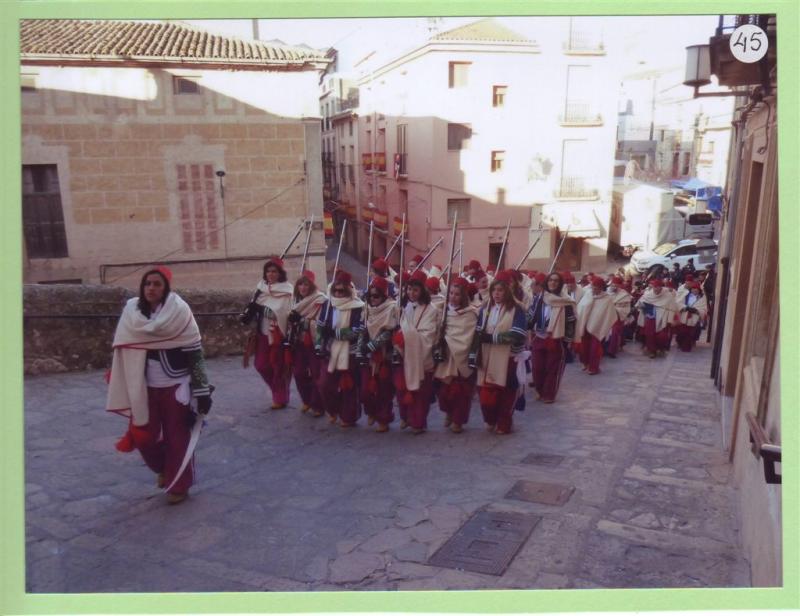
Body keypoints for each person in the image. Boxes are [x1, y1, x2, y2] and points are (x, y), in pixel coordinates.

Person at [106, 266, 212, 505]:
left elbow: (194, 351)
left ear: (165, 288)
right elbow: (123, 347)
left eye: (157, 284)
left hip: (176, 385)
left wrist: (202, 390)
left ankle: (179, 485)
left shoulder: (180, 311)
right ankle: (164, 468)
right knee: (143, 436)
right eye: (147, 284)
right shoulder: (132, 312)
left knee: (178, 438)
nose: (151, 288)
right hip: (143, 387)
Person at [470, 271, 527, 434]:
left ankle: (504, 422)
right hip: (486, 357)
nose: (497, 293)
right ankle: (490, 418)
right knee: (485, 391)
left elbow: (518, 334)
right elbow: (478, 332)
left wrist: (493, 338)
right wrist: (473, 353)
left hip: (507, 358)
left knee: (506, 393)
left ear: (508, 290)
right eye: (494, 290)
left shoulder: (517, 309)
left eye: (501, 290)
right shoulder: (484, 309)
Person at [392, 270, 440, 434]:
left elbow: (428, 336)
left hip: (420, 357)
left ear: (422, 291)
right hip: (403, 355)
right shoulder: (403, 307)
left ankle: (418, 422)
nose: (411, 293)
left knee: (420, 393)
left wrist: (406, 337)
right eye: (409, 289)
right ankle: (406, 417)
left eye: (415, 290)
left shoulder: (431, 310)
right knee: (401, 389)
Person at [316, 270, 365, 427]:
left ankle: (348, 416)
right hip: (330, 350)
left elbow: (358, 329)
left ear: (348, 290)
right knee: (325, 384)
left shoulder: (358, 306)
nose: (338, 293)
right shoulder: (328, 304)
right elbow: (321, 325)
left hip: (349, 351)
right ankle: (333, 409)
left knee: (348, 386)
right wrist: (319, 341)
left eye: (341, 290)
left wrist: (337, 333)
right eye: (335, 290)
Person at [246, 257, 293, 410]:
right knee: (261, 365)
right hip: (262, 334)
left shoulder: (287, 291)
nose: (271, 274)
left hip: (278, 334)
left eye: (274, 271)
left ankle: (280, 397)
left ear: (280, 273)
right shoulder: (260, 289)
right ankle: (278, 390)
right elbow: (254, 308)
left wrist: (271, 311)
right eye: (268, 271)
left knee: (278, 367)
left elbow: (286, 312)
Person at [433, 277, 478, 433]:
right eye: (451, 293)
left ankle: (458, 420)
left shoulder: (470, 314)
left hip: (460, 357)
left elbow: (468, 335)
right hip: (445, 357)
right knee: (444, 390)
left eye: (457, 294)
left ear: (464, 296)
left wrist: (451, 341)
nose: (453, 296)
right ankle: (448, 412)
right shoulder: (442, 311)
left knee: (460, 392)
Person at [528, 272, 577, 403]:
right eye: (550, 280)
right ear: (546, 282)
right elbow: (530, 317)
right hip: (539, 337)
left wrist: (568, 341)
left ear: (560, 284)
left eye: (556, 281)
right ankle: (539, 390)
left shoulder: (566, 302)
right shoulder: (539, 298)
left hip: (556, 339)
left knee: (552, 369)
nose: (553, 283)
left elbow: (570, 323)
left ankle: (549, 394)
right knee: (537, 367)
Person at [358, 277, 399, 432]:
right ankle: (371, 411)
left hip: (384, 356)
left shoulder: (392, 308)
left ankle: (384, 419)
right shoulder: (366, 309)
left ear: (384, 296)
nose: (373, 299)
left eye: (377, 296)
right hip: (368, 357)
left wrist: (372, 345)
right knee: (364, 390)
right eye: (370, 296)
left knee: (384, 390)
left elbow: (389, 331)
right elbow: (363, 328)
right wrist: (362, 347)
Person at [287, 271, 327, 417]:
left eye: (306, 284)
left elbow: (321, 322)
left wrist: (303, 321)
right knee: (298, 373)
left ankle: (318, 405)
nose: (303, 287)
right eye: (300, 284)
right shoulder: (294, 302)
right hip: (299, 342)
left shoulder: (320, 299)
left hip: (313, 341)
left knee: (316, 373)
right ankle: (307, 399)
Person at [574, 277, 618, 375]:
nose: (594, 290)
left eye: (597, 288)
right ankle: (585, 363)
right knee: (584, 347)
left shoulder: (607, 299)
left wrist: (602, 324)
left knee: (595, 348)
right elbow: (581, 308)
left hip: (597, 327)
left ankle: (594, 367)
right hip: (584, 326)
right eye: (593, 287)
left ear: (601, 288)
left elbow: (610, 315)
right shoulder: (587, 294)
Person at [636, 278, 679, 358]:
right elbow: (639, 304)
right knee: (649, 335)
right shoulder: (648, 294)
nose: (656, 289)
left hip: (662, 318)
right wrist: (644, 306)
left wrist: (670, 320)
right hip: (650, 317)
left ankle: (660, 348)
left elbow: (672, 308)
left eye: (657, 287)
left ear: (661, 287)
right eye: (654, 287)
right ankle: (652, 351)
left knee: (661, 336)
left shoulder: (668, 295)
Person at [675, 282, 708, 352]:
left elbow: (704, 308)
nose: (695, 290)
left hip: (693, 318)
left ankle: (686, 347)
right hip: (684, 316)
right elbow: (678, 302)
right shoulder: (686, 295)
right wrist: (685, 307)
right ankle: (680, 342)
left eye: (696, 289)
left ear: (699, 290)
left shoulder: (702, 298)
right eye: (693, 289)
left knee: (690, 333)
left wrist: (696, 310)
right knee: (681, 332)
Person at [605, 276, 631, 357]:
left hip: (617, 317)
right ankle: (604, 349)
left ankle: (611, 351)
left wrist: (614, 308)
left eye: (616, 285)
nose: (614, 287)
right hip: (606, 316)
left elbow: (625, 308)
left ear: (620, 285)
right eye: (613, 285)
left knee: (614, 333)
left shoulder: (624, 295)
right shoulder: (606, 293)